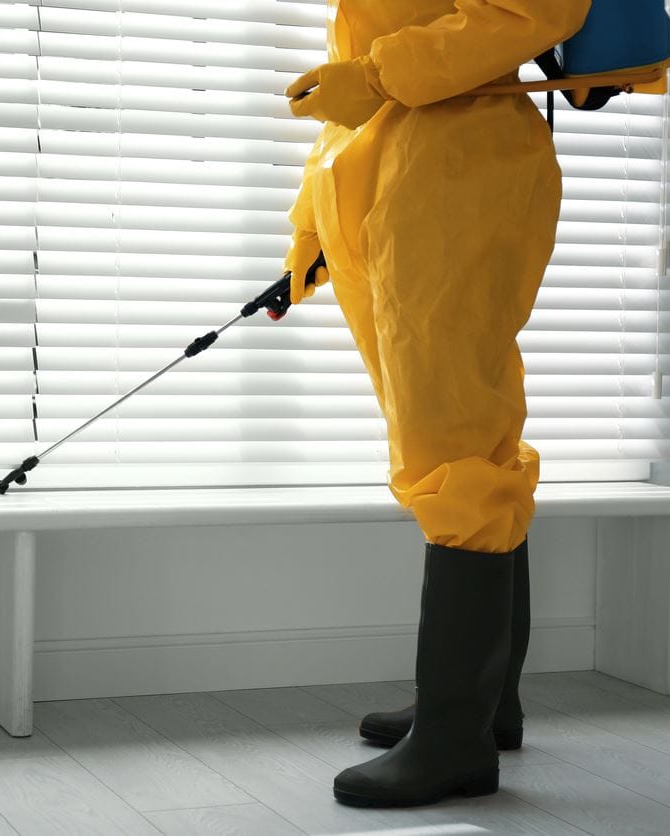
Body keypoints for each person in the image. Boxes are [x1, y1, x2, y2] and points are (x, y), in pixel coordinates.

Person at [282, 0, 592, 808]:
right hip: (384, 181)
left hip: (458, 165)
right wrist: (309, 235)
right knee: (450, 442)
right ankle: (485, 705)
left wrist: (375, 77)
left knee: (453, 447)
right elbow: (358, 83)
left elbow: (538, 9)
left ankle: (456, 738)